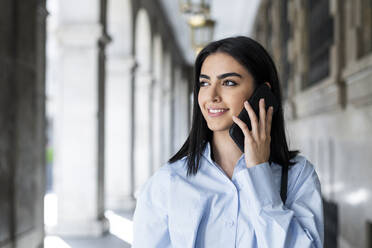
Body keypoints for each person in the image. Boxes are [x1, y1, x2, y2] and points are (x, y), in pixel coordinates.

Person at [132, 36, 324, 248]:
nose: (211, 95)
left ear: (263, 93)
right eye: (204, 83)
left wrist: (259, 173)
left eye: (228, 83)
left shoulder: (298, 176)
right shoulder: (168, 181)